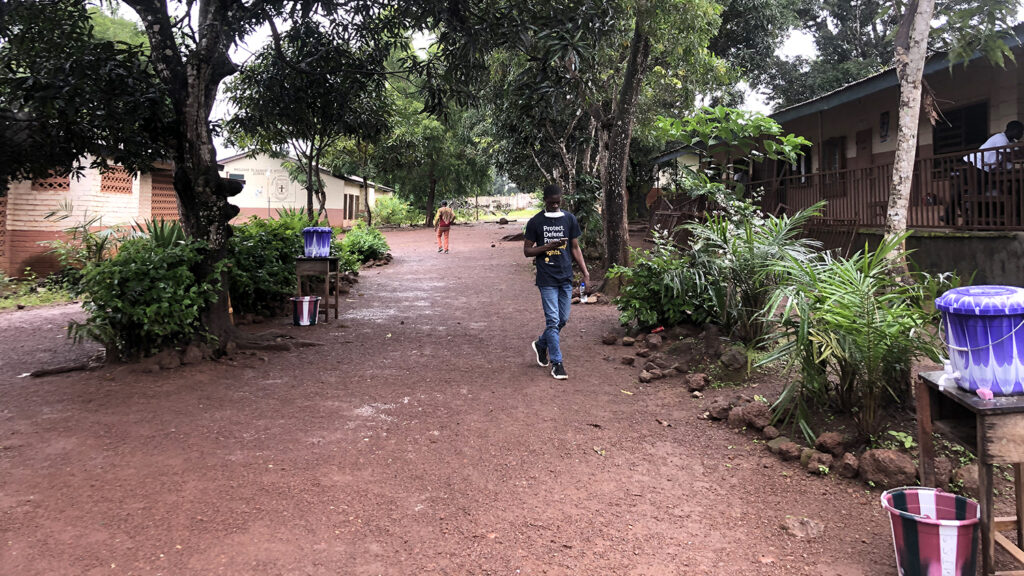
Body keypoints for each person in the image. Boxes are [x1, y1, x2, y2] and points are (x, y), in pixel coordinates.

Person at [524, 184, 590, 380]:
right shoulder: (535, 222)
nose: (554, 205)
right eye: (551, 202)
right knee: (552, 321)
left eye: (557, 202)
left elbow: (575, 248)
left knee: (562, 319)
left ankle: (541, 344)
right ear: (545, 200)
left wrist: (585, 273)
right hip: (547, 278)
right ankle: (557, 363)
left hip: (565, 276)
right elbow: (527, 251)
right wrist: (547, 246)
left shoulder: (569, 219)